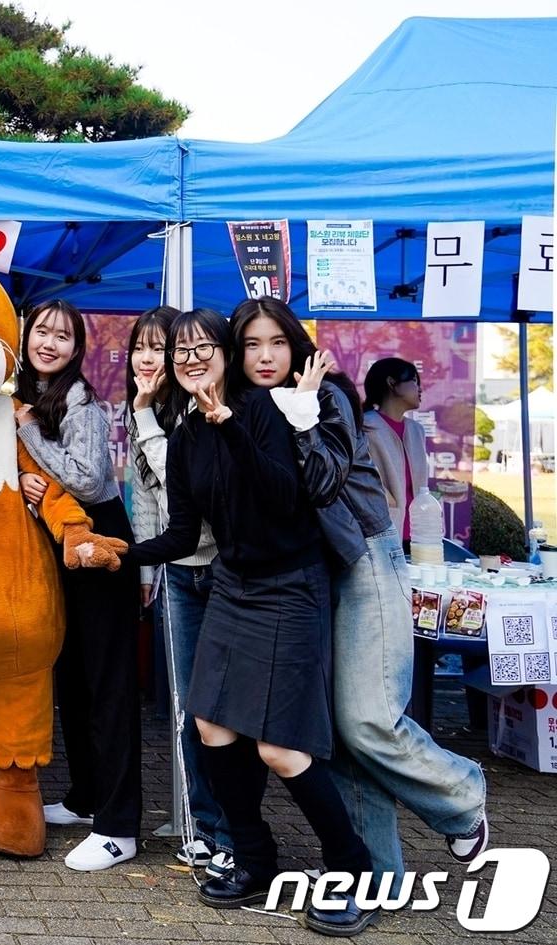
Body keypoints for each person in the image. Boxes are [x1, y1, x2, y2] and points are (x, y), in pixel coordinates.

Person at [116, 308, 376, 938]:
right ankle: (255, 857)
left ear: (225, 355)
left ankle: (353, 870)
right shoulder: (185, 438)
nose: (192, 357)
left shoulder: (267, 409)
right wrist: (119, 550)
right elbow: (182, 532)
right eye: (182, 350)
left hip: (291, 584)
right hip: (232, 584)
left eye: (206, 346)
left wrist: (229, 423)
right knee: (210, 725)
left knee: (280, 748)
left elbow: (285, 496)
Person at [231, 297, 488, 891]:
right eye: (251, 345)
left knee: (368, 717)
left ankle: (462, 792)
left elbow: (322, 483)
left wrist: (299, 419)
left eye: (276, 342)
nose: (265, 356)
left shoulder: (327, 398)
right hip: (308, 576)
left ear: (296, 344)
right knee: (340, 736)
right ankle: (379, 872)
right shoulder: (248, 409)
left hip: (365, 560)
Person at [12, 300, 140, 872]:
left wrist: (32, 435)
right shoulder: (21, 392)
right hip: (56, 547)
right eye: (42, 331)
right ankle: (87, 797)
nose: (51, 343)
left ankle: (120, 825)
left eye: (63, 336)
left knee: (108, 685)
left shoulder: (81, 401)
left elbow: (89, 479)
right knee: (74, 678)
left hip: (99, 545)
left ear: (77, 348)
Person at [122, 305, 232, 877]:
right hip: (178, 568)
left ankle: (226, 828)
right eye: (140, 346)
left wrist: (145, 417)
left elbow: (178, 481)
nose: (151, 357)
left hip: (227, 568)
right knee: (189, 706)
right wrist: (146, 571)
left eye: (160, 346)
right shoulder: (147, 407)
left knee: (221, 707)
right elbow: (144, 496)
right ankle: (201, 826)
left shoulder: (205, 406)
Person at [362, 357, 428, 544]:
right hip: (380, 535)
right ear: (392, 383)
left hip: (417, 536)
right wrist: (387, 498)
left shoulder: (417, 431)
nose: (420, 389)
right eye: (414, 381)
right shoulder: (365, 427)